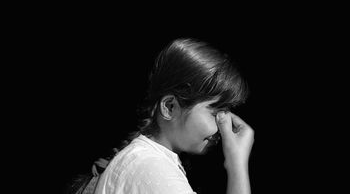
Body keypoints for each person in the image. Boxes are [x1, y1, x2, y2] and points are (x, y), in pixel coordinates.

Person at [92, 37, 254, 194]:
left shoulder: (147, 161)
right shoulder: (151, 168)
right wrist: (237, 165)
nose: (224, 127)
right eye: (215, 114)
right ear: (170, 107)